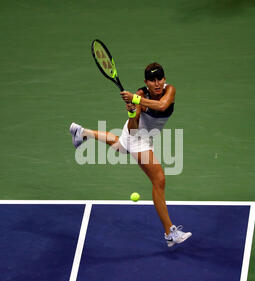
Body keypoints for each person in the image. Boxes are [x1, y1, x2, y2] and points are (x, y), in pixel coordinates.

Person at [69, 62, 191, 247]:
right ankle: (169, 232)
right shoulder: (140, 95)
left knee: (119, 146)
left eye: (160, 79)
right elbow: (134, 128)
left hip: (144, 136)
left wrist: (135, 100)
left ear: (165, 80)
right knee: (159, 180)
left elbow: (162, 105)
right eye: (152, 80)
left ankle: (82, 132)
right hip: (137, 137)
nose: (157, 83)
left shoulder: (169, 91)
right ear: (146, 82)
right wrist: (132, 112)